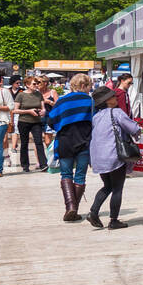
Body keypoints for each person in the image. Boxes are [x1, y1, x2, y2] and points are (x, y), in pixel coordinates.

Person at [86, 85, 141, 229]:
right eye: (113, 96)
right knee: (117, 188)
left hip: (99, 157)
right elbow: (134, 128)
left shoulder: (96, 116)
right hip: (114, 155)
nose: (116, 98)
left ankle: (93, 212)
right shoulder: (117, 112)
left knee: (107, 186)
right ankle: (114, 220)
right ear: (107, 100)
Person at [46, 74, 95, 221]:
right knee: (80, 175)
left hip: (65, 141)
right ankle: (74, 209)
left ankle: (70, 208)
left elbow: (51, 121)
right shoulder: (90, 101)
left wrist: (63, 125)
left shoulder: (61, 101)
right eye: (89, 86)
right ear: (83, 86)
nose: (90, 88)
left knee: (66, 174)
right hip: (84, 141)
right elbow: (95, 121)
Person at [14, 75, 48, 172]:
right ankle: (25, 165)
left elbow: (43, 107)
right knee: (24, 143)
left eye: (37, 83)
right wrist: (28, 111)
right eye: (34, 83)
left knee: (39, 142)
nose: (36, 85)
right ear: (27, 85)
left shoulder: (38, 94)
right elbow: (15, 110)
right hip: (24, 121)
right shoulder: (21, 95)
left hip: (36, 121)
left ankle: (43, 164)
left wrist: (43, 111)